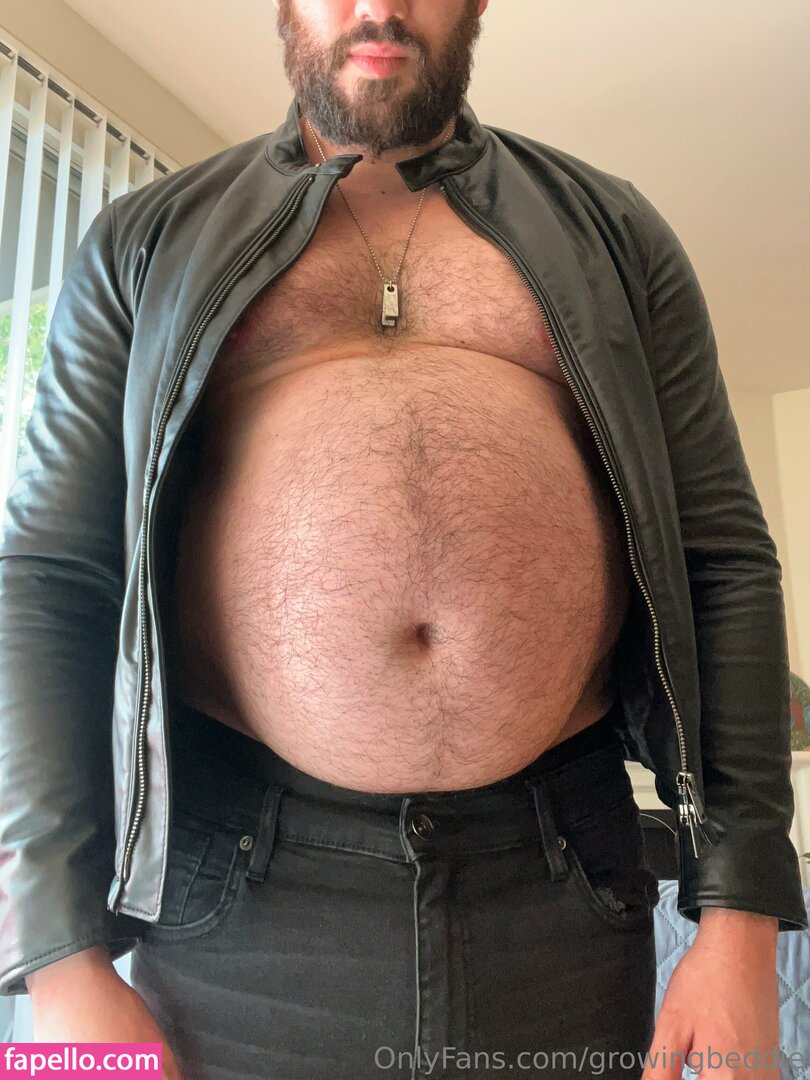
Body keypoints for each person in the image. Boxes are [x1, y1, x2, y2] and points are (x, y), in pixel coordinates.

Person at [0, 1, 805, 1077]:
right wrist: (57, 960)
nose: (379, 4)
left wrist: (742, 917)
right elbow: (50, 577)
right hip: (235, 896)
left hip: (560, 879)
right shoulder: (141, 240)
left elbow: (723, 563)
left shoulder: (615, 231)